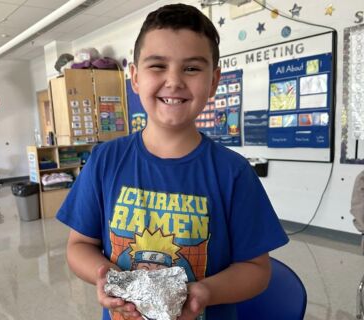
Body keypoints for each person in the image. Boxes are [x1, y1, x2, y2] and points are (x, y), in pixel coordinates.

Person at [56, 3, 289, 320]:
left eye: (191, 68)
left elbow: (257, 270)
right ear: (135, 78)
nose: (174, 81)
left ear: (214, 81)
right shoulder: (104, 161)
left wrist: (204, 293)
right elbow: (78, 245)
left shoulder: (233, 172)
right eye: (157, 66)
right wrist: (106, 276)